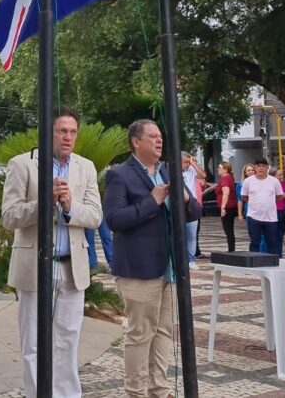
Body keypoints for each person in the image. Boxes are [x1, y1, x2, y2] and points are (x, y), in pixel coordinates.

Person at [1, 108, 102, 398]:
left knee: (68, 340)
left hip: (72, 267)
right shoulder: (22, 164)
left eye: (72, 131)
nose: (68, 137)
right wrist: (44, 202)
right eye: (62, 131)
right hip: (34, 266)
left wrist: (70, 207)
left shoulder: (85, 167)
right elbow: (9, 217)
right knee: (33, 342)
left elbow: (95, 216)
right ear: (49, 133)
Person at [104, 119, 201, 398]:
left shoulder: (169, 172)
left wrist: (184, 199)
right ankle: (135, 392)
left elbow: (193, 212)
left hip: (169, 267)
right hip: (139, 269)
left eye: (160, 136)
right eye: (153, 136)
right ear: (136, 141)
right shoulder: (120, 175)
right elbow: (114, 220)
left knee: (164, 333)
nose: (160, 141)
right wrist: (152, 200)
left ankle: (159, 390)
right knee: (140, 335)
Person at [241, 157, 284, 256]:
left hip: (271, 218)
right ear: (255, 167)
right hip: (253, 217)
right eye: (258, 166)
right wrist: (255, 203)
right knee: (254, 242)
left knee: (272, 242)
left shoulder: (274, 181)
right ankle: (253, 262)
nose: (261, 168)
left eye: (263, 166)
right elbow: (244, 197)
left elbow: (280, 196)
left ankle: (273, 262)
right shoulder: (248, 181)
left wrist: (269, 202)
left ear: (267, 168)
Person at [182, 152, 202, 264]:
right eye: (185, 162)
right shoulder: (172, 171)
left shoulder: (191, 170)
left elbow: (202, 175)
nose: (187, 165)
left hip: (191, 205)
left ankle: (191, 260)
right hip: (179, 206)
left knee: (192, 235)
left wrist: (193, 164)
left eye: (188, 162)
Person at [214, 162, 239, 252]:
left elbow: (226, 193)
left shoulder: (225, 178)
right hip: (231, 206)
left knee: (228, 230)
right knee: (229, 229)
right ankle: (231, 249)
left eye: (219, 167)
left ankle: (231, 250)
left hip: (227, 207)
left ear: (225, 169)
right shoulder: (229, 178)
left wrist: (223, 208)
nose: (218, 169)